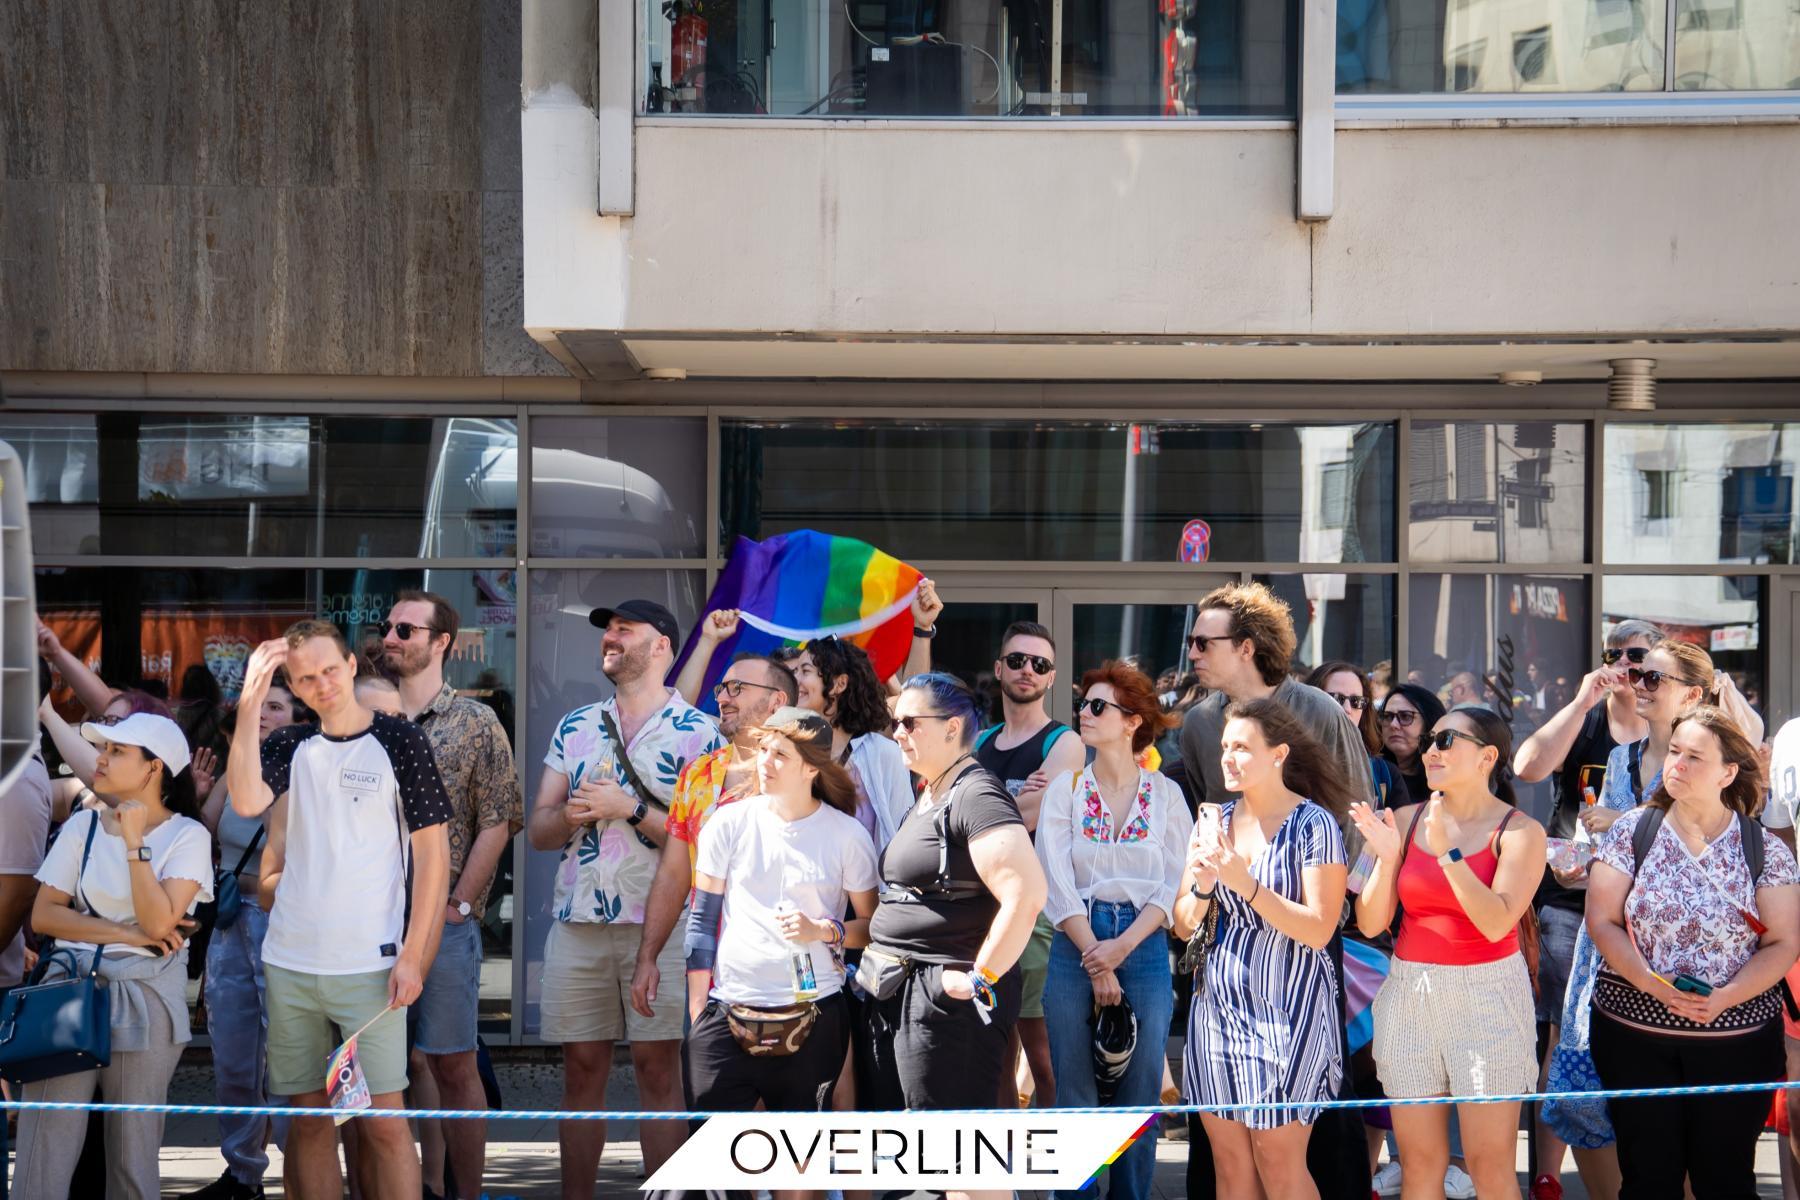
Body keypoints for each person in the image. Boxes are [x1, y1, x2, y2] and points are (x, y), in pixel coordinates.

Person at [225, 621, 453, 1200]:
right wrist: (251, 699)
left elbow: (433, 858)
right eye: (306, 678)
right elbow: (247, 799)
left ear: (351, 665)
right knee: (307, 1119)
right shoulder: (287, 745)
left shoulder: (401, 741)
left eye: (330, 669)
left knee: (384, 1123)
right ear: (296, 688)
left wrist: (414, 956)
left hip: (371, 967)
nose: (321, 683)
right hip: (291, 963)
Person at [1176, 582, 1373, 1200]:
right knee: (1228, 1159)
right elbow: (1211, 834)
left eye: (1203, 642)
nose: (1192, 655)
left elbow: (1359, 809)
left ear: (1245, 646)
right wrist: (1207, 891)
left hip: (1304, 935)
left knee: (1299, 1148)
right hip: (1226, 957)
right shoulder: (1199, 723)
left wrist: (1355, 903)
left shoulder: (1315, 707)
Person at [526, 599, 724, 1198]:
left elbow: (710, 841)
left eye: (622, 629)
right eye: (606, 630)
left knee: (657, 1072)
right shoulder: (575, 724)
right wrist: (571, 814)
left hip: (660, 931)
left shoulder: (701, 732)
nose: (609, 638)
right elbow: (537, 830)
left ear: (660, 645)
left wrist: (630, 809)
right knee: (580, 1073)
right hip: (578, 924)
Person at [1586, 706, 1800, 1199]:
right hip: (1634, 1034)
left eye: (1694, 757)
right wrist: (1647, 981)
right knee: (1647, 1178)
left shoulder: (1764, 848)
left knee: (1725, 1179)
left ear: (1728, 772)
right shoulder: (1631, 831)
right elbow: (1603, 920)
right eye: (1674, 752)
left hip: (1736, 1040)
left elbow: (1783, 940)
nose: (1676, 764)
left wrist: (1725, 996)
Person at [1539, 638, 1736, 1170]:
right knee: (1590, 1094)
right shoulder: (1617, 757)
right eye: (1638, 675)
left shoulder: (1711, 767)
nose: (1639, 685)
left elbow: (1708, 863)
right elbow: (1601, 853)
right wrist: (1578, 866)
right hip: (1604, 946)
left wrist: (1620, 830)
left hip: (1676, 956)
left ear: (1692, 693)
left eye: (1654, 678)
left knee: (1676, 1119)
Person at [859, 673, 1047, 1200]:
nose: (898, 733)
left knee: (965, 1166)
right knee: (935, 1159)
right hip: (909, 992)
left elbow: (1027, 892)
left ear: (953, 728)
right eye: (896, 722)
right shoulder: (934, 791)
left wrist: (977, 980)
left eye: (910, 723)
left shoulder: (976, 792)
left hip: (948, 999)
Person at [14, 712, 212, 1200]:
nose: (100, 759)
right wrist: (119, 931)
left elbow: (160, 924)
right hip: (68, 989)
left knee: (133, 1154)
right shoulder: (82, 824)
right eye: (103, 748)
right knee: (43, 1148)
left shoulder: (189, 835)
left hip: (145, 993)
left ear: (155, 767)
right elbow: (44, 916)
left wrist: (133, 842)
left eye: (118, 751)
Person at [1351, 705, 1546, 1200]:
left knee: (1488, 1165)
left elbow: (1496, 920)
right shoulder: (1405, 819)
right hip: (1410, 991)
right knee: (1419, 1165)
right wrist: (1390, 854)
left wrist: (1448, 855)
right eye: (1431, 740)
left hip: (1488, 996)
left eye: (1446, 740)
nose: (1430, 750)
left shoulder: (1521, 831)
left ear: (1486, 757)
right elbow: (1371, 922)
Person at [380, 590, 523, 1200]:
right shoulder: (364, 719)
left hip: (444, 925)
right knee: (374, 1072)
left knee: (451, 1062)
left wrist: (460, 905)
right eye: (387, 627)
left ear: (442, 642)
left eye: (406, 630)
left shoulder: (475, 722)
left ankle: (467, 1194)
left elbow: (500, 818)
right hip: (365, 923)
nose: (391, 637)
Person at [1512, 619, 1660, 1200]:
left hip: (1644, 907)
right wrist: (1581, 700)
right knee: (1560, 1031)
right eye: (1614, 653)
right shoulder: (1589, 718)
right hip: (1571, 896)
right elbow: (1528, 766)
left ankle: (1636, 1160)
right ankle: (1548, 1173)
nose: (1624, 663)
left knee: (1634, 1029)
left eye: (1637, 654)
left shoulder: (1665, 727)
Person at [1036, 662, 1189, 1198]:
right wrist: (1095, 953)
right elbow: (1054, 880)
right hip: (1075, 938)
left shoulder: (1166, 794)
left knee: (1141, 1089)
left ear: (1132, 721)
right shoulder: (1067, 789)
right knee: (1072, 1089)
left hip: (1142, 944)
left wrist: (1120, 949)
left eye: (1098, 705)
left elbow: (1173, 884)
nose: (1085, 712)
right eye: (1084, 702)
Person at [682, 707, 880, 1123]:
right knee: (712, 1151)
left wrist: (825, 930)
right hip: (728, 1007)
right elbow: (701, 923)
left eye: (780, 755)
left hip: (814, 1011)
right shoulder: (728, 822)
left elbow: (874, 928)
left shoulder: (848, 835)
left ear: (811, 769)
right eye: (764, 750)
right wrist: (699, 1013)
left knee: (798, 1156)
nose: (764, 763)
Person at [183, 674, 310, 1200]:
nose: (263, 715)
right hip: (232, 928)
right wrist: (198, 797)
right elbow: (204, 832)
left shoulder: (307, 775)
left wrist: (257, 883)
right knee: (233, 1058)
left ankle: (301, 1172)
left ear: (301, 720)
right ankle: (242, 1175)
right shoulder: (240, 772)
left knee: (286, 1058)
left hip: (283, 927)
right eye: (258, 706)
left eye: (276, 707)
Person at [630, 652, 798, 1023]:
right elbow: (675, 874)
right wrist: (648, 957)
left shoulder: (804, 775)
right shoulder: (698, 773)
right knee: (707, 1080)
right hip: (708, 971)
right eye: (722, 688)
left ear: (777, 701)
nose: (722, 698)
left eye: (738, 688)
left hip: (787, 972)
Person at [976, 620, 1083, 1109]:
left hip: (1036, 910)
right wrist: (1014, 802)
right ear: (999, 668)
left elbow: (1039, 814)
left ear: (1051, 677)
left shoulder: (1064, 742)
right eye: (1017, 660)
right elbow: (954, 813)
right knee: (993, 1049)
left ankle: (1062, 1179)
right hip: (981, 907)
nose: (1027, 671)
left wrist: (983, 808)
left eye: (1039, 664)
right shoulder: (979, 742)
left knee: (1043, 1055)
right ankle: (1006, 1172)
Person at [1309, 661, 1407, 809]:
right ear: (1310, 701)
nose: (1348, 709)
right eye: (1336, 698)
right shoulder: (1286, 765)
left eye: (1357, 701)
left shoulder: (1383, 773)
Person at [1377, 684, 1447, 809]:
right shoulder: (1373, 772)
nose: (1393, 725)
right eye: (1387, 716)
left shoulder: (1445, 776)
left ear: (1429, 723)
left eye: (1405, 716)